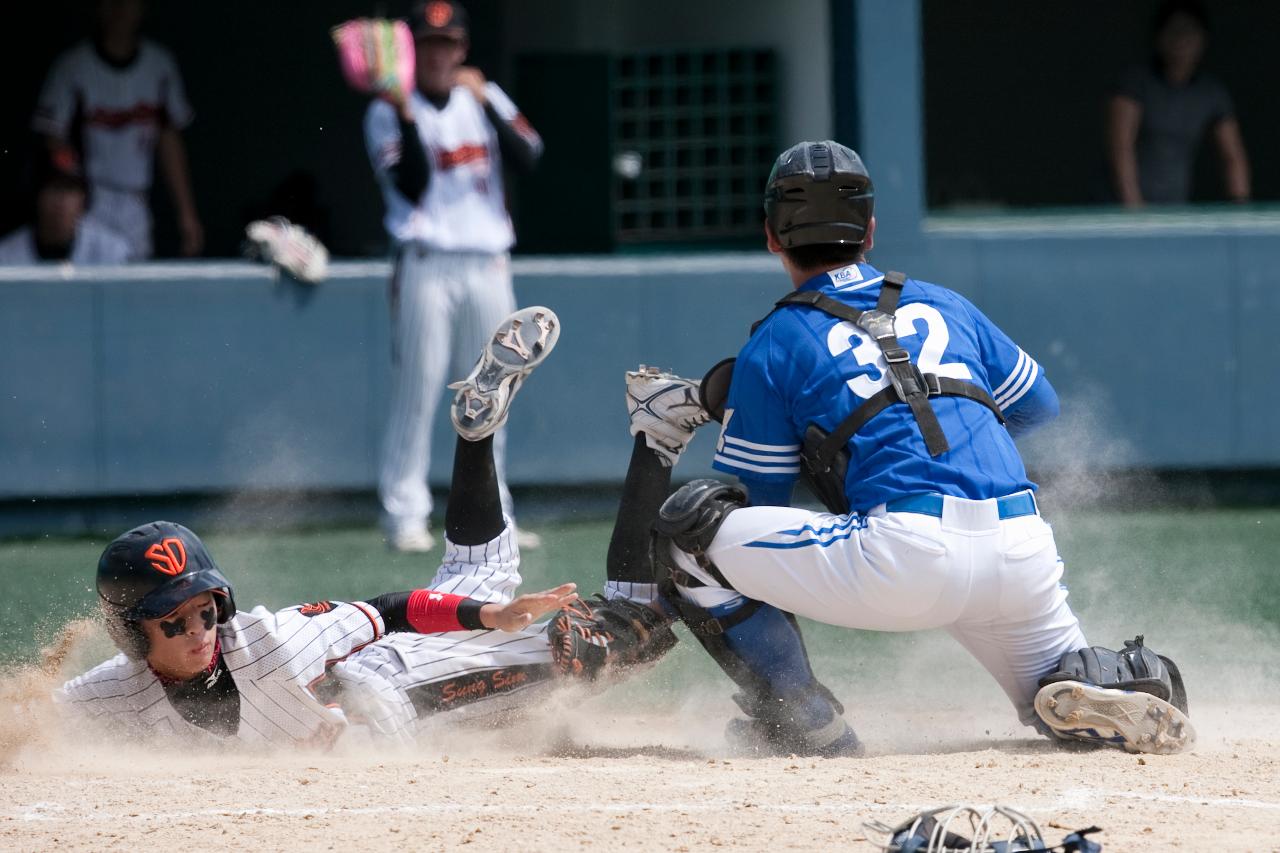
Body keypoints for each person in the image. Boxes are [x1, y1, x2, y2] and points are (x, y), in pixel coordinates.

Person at [649, 140, 1195, 757]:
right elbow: (1039, 403)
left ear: (772, 237)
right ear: (870, 231)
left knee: (690, 532)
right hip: (1021, 553)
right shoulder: (942, 302)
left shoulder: (774, 341)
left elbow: (753, 501)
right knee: (1055, 692)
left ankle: (800, 717)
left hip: (902, 555)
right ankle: (1106, 678)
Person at [54, 308, 698, 745]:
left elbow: (387, 610)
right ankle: (476, 438)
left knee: (624, 630)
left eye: (204, 611)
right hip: (403, 691)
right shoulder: (117, 690)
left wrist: (488, 621)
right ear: (133, 634)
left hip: (398, 689)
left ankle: (657, 430)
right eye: (175, 622)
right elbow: (36, 717)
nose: (199, 631)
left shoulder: (268, 642)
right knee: (480, 576)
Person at [363, 0, 544, 553]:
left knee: (495, 387)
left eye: (450, 44)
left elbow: (530, 155)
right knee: (419, 388)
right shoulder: (387, 109)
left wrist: (485, 95)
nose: (441, 55)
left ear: (463, 49)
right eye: (430, 45)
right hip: (426, 260)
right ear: (413, 52)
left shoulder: (481, 98)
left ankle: (495, 510)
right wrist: (407, 112)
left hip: (488, 260)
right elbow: (411, 184)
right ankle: (405, 514)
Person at [32, 0, 203, 259]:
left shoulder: (159, 65)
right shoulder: (73, 66)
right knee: (87, 286)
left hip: (136, 200)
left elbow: (169, 141)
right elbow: (53, 141)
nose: (120, 8)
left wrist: (186, 213)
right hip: (88, 198)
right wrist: (68, 197)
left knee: (134, 289)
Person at [1107, 0, 1250, 207]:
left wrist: (1241, 207)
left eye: (1189, 32)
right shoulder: (1135, 83)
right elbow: (1121, 147)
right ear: (1159, 36)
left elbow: (1232, 155)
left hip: (1174, 206)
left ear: (1203, 38)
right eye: (1174, 31)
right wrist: (1133, 208)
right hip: (1121, 209)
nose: (1181, 41)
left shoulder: (1211, 93)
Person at [0, 158, 129, 266]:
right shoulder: (6, 255)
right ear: (37, 196)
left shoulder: (110, 250)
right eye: (54, 188)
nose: (61, 200)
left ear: (83, 199)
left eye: (70, 190)